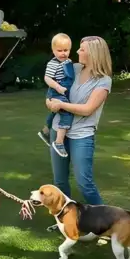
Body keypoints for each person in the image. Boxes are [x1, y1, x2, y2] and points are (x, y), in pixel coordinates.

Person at [45, 36, 113, 207]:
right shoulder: (72, 68)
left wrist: (61, 104)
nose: (77, 51)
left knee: (85, 184)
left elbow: (88, 109)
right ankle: (66, 219)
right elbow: (52, 89)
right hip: (58, 130)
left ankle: (105, 221)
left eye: (82, 49)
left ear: (93, 54)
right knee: (59, 182)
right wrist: (49, 102)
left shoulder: (104, 80)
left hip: (82, 135)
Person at [38, 33, 75, 157]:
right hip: (56, 91)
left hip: (64, 90)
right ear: (53, 51)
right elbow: (47, 78)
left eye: (66, 50)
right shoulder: (52, 64)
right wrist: (58, 87)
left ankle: (45, 131)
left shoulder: (68, 61)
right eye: (59, 51)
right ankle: (59, 142)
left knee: (54, 112)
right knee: (66, 113)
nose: (63, 53)